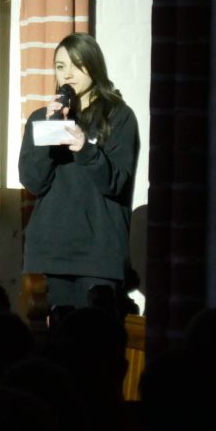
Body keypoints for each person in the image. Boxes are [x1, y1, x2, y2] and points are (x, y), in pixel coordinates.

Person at [18, 32, 139, 310]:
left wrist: (85, 147)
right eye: (61, 66)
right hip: (49, 253)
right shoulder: (42, 117)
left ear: (93, 66)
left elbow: (116, 183)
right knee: (54, 345)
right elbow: (34, 182)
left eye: (77, 64)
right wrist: (49, 130)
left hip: (98, 257)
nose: (68, 74)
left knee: (93, 344)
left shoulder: (118, 116)